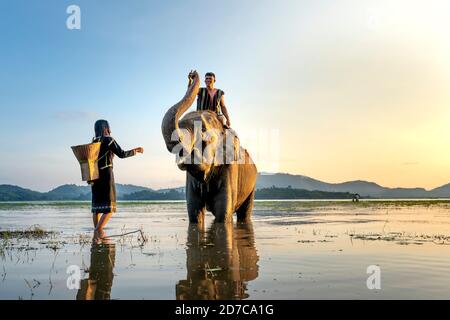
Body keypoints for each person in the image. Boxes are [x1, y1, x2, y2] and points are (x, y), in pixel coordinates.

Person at [90, 120, 143, 237]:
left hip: (94, 176)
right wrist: (136, 151)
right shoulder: (108, 140)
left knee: (97, 208)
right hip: (105, 176)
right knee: (109, 208)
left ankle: (97, 236)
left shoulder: (93, 142)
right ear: (106, 128)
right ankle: (98, 231)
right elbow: (122, 154)